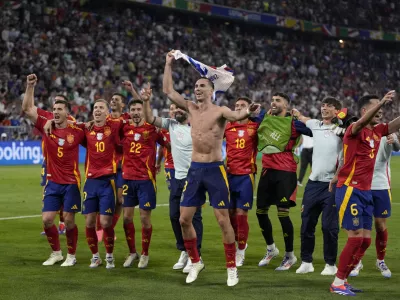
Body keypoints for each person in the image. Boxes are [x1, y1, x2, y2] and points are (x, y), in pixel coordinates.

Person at [163, 50, 260, 286]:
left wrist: (249, 111)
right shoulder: (190, 108)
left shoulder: (220, 111)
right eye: (196, 85)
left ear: (211, 90)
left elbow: (237, 116)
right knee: (184, 219)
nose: (197, 89)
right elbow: (168, 91)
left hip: (215, 170)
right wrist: (168, 64)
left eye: (202, 85)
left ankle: (230, 268)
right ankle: (196, 261)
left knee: (222, 220)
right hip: (195, 170)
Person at [330, 92, 400, 296]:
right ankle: (337, 282)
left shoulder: (377, 131)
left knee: (366, 240)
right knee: (354, 238)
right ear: (365, 110)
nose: (381, 111)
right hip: (350, 189)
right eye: (376, 107)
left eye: (381, 107)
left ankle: (344, 279)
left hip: (366, 192)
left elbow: (394, 126)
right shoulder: (354, 129)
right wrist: (380, 104)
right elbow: (360, 123)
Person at [22, 74, 85, 267]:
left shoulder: (77, 130)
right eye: (54, 109)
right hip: (53, 181)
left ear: (68, 112)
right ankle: (56, 253)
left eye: (60, 109)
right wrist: (30, 86)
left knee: (69, 220)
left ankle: (71, 256)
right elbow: (27, 109)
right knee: (48, 219)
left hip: (71, 182)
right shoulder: (45, 124)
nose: (56, 112)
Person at [142, 87, 203, 272]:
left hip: (194, 179)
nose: (176, 110)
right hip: (177, 178)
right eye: (174, 108)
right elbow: (150, 119)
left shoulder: (197, 128)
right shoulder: (171, 124)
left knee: (194, 218)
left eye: (180, 108)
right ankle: (184, 250)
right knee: (174, 216)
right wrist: (146, 101)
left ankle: (195, 256)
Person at [255, 92, 312, 271]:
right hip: (267, 170)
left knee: (283, 214)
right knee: (260, 212)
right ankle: (271, 248)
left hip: (286, 172)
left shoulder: (293, 124)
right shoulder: (264, 119)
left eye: (277, 100)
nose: (273, 102)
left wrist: (302, 118)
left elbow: (314, 130)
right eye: (272, 100)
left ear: (286, 106)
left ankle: (290, 255)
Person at [70, 99, 129, 269]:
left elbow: (129, 118)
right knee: (89, 222)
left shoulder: (114, 126)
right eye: (95, 107)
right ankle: (95, 257)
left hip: (107, 182)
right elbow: (68, 124)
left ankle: (109, 256)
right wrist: (51, 121)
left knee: (105, 222)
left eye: (100, 108)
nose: (97, 110)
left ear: (106, 112)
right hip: (91, 182)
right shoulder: (86, 130)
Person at [291, 97, 343, 275]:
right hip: (313, 183)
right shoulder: (315, 124)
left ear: (337, 110)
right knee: (306, 224)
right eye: (323, 105)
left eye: (329, 106)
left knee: (329, 226)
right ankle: (306, 261)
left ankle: (330, 264)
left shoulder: (342, 130)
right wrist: (296, 114)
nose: (324, 108)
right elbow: (302, 118)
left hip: (332, 184)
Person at [120, 98, 169, 269]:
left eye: (138, 109)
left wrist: (162, 161)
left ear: (144, 111)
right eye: (132, 109)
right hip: (127, 178)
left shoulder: (152, 129)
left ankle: (145, 254)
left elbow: (167, 144)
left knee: (144, 219)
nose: (135, 112)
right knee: (126, 218)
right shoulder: (123, 128)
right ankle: (133, 252)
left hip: (145, 180)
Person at [350, 132, 400, 278]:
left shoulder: (385, 136)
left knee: (379, 225)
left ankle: (380, 260)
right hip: (363, 187)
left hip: (381, 186)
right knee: (363, 228)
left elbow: (397, 147)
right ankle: (358, 261)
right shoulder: (361, 135)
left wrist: (395, 139)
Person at [94, 81, 137, 242]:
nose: (113, 101)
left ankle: (109, 228)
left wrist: (133, 90)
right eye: (112, 100)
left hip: (121, 167)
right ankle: (100, 231)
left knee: (119, 200)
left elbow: (143, 109)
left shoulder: (127, 119)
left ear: (123, 105)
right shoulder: (103, 119)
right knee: (104, 199)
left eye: (117, 100)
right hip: (105, 167)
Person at [224, 96, 259, 267]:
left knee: (241, 213)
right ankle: (238, 241)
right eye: (236, 105)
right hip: (229, 174)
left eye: (242, 105)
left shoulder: (255, 126)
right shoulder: (227, 126)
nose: (238, 107)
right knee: (230, 213)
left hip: (246, 175)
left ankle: (241, 249)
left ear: (249, 108)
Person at [38, 95, 75, 236]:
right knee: (46, 192)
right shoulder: (49, 118)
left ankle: (62, 225)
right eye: (54, 101)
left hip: (62, 163)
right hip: (47, 161)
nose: (55, 103)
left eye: (59, 102)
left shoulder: (70, 120)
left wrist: (51, 121)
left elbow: (71, 124)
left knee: (61, 195)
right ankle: (50, 225)